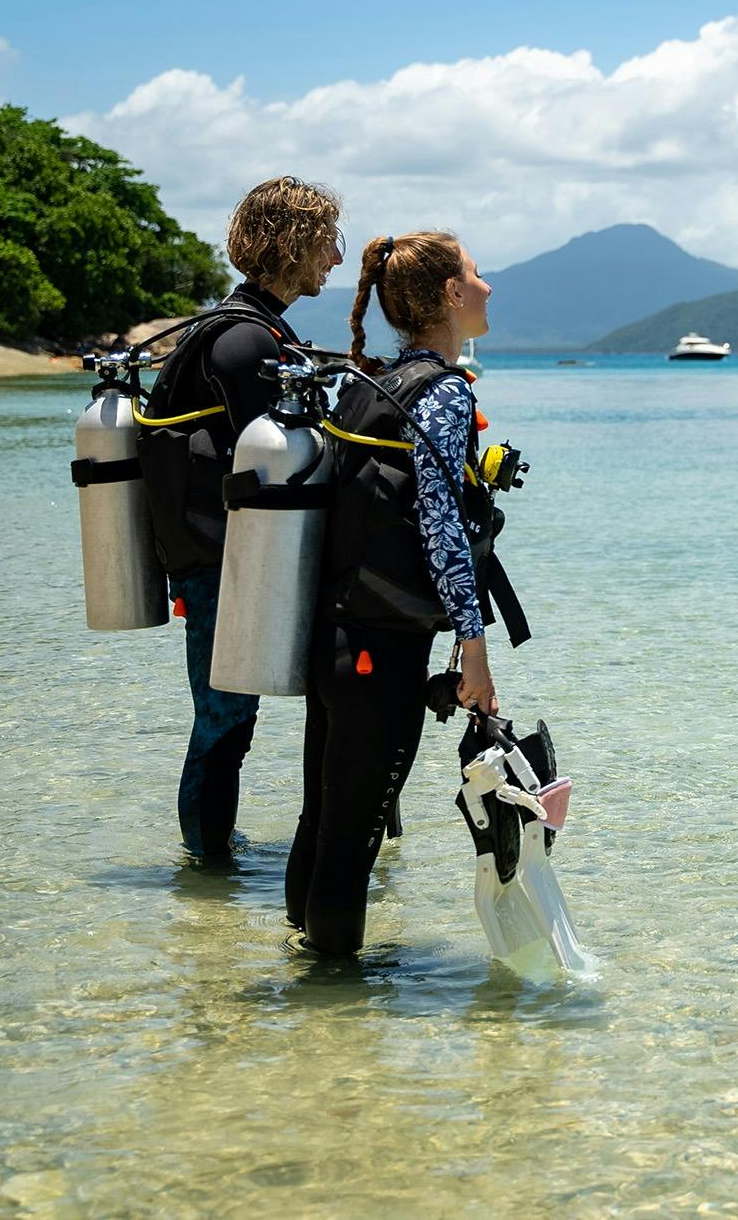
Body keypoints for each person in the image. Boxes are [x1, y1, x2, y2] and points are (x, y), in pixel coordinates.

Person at [286, 230, 504, 956]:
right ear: (450, 293)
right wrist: (475, 651)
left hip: (337, 633)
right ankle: (333, 1023)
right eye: (476, 275)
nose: (487, 288)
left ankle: (300, 992)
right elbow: (442, 528)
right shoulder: (439, 393)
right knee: (353, 838)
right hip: (381, 647)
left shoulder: (369, 383)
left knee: (324, 821)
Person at [137, 176, 344, 860]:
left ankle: (208, 868)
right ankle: (206, 870)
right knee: (225, 716)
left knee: (229, 714)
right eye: (326, 242)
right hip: (219, 561)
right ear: (291, 243)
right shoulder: (244, 342)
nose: (336, 259)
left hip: (212, 554)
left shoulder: (242, 330)